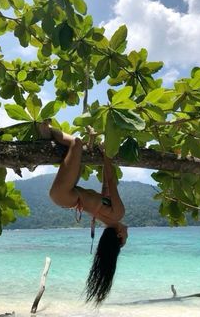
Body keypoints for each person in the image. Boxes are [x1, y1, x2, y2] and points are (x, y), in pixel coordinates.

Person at [46, 125, 128, 305]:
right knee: (77, 154)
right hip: (66, 195)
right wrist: (103, 155)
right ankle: (48, 133)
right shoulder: (107, 217)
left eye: (125, 238)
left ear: (120, 236)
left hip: (65, 194)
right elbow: (107, 186)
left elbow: (112, 181)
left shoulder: (117, 214)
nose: (128, 234)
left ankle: (46, 128)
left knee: (76, 144)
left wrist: (106, 155)